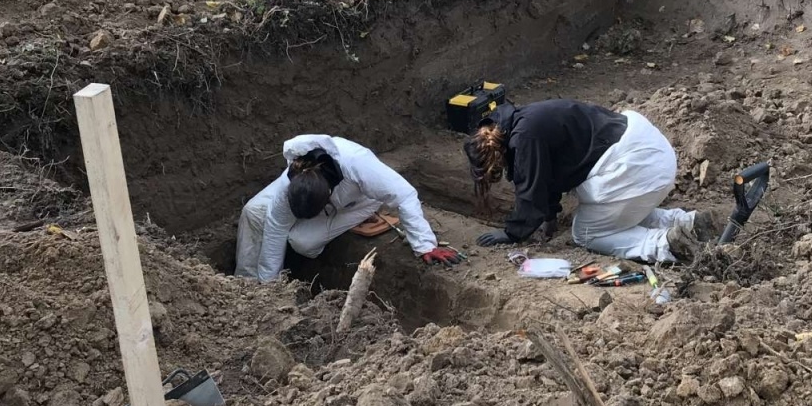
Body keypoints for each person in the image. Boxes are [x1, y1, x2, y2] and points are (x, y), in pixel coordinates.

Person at [464, 99, 714, 264]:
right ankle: (687, 222)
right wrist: (549, 217)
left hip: (636, 166)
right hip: (650, 150)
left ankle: (665, 245)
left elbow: (531, 191)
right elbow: (545, 178)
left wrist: (512, 233)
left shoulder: (524, 141)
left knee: (587, 231)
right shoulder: (525, 120)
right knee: (612, 212)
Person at [236, 134, 461, 283]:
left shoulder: (358, 164)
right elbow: (276, 228)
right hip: (315, 195)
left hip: (360, 200)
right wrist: (269, 287)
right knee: (253, 212)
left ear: (326, 199)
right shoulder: (291, 180)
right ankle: (244, 287)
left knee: (302, 241)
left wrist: (425, 245)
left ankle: (351, 217)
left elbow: (404, 195)